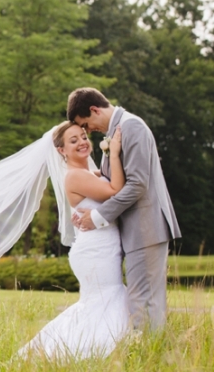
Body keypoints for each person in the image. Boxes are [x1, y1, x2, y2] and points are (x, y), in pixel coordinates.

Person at [66, 87, 181, 332]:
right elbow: (108, 181)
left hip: (145, 227)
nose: (88, 132)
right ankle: (149, 353)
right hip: (134, 229)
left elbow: (138, 184)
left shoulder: (132, 127)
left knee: (143, 299)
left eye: (85, 125)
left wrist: (97, 217)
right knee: (141, 298)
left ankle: (149, 357)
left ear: (94, 110)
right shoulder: (118, 132)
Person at [17, 122, 130, 360]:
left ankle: (88, 350)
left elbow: (107, 181)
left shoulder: (88, 173)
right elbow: (115, 190)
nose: (82, 142)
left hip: (101, 249)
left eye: (83, 136)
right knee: (106, 298)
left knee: (103, 301)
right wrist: (115, 153)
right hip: (95, 253)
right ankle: (79, 352)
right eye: (73, 140)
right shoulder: (75, 176)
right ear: (61, 150)